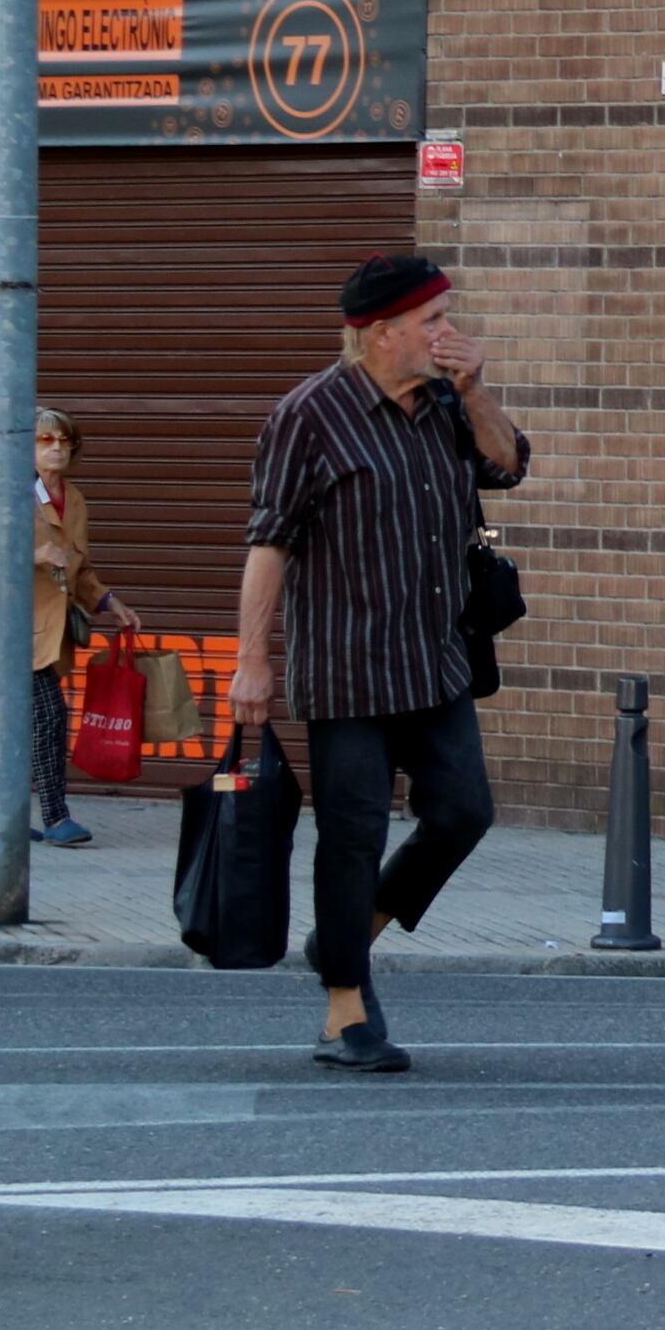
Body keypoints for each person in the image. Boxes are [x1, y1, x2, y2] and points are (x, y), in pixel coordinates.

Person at [229, 253, 531, 1073]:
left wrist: (473, 391)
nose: (447, 332)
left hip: (436, 661)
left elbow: (508, 464)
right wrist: (251, 660)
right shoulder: (309, 415)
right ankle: (343, 1011)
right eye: (431, 321)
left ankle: (342, 938)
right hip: (348, 668)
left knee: (464, 813)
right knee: (352, 836)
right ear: (379, 334)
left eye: (445, 317)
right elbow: (269, 542)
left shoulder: (443, 403)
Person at [0, 404, 131, 847]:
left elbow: (79, 569)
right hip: (16, 635)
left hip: (51, 635)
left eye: (64, 441)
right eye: (45, 440)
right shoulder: (10, 496)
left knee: (24, 726)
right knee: (50, 716)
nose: (57, 449)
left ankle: (4, 817)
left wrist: (108, 601)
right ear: (26, 449)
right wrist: (31, 556)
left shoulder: (76, 501)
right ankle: (55, 818)